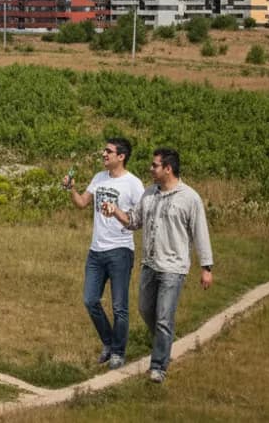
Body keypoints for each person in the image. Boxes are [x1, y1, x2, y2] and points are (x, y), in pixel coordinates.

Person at [102, 147, 213, 384]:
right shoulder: (150, 193)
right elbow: (134, 221)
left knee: (163, 317)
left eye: (155, 165)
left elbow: (200, 232)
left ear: (168, 169)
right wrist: (115, 212)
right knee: (145, 309)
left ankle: (158, 366)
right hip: (150, 264)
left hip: (173, 268)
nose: (150, 169)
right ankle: (165, 341)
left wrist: (206, 267)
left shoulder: (190, 198)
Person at [63, 137, 144, 369]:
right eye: (104, 150)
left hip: (120, 250)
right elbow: (81, 203)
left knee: (120, 306)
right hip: (96, 251)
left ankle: (118, 352)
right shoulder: (99, 178)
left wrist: (117, 212)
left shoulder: (133, 184)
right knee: (90, 300)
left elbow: (139, 221)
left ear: (121, 156)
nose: (103, 154)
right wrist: (71, 188)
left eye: (108, 151)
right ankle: (108, 343)